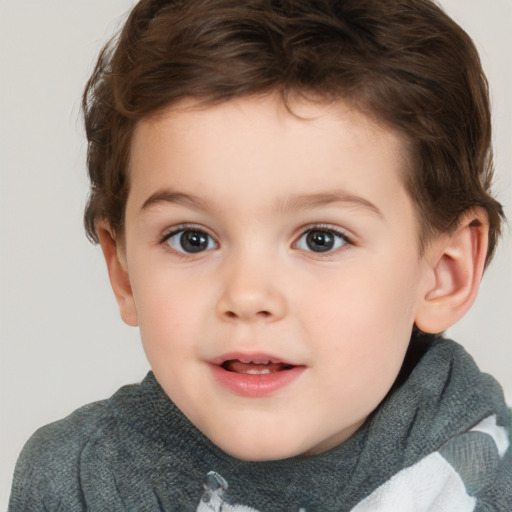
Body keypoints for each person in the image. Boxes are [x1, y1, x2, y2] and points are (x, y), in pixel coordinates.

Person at [8, 0, 511, 510]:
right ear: (124, 271)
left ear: (445, 274)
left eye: (321, 239)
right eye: (192, 239)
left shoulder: (492, 480)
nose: (248, 296)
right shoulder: (78, 481)